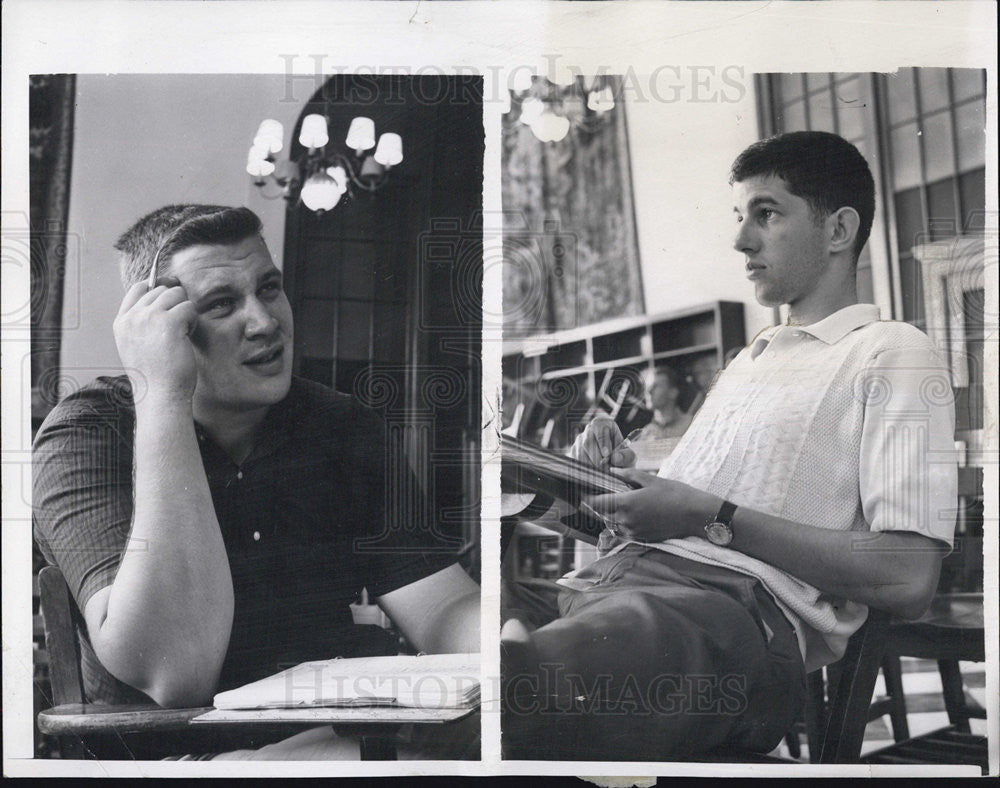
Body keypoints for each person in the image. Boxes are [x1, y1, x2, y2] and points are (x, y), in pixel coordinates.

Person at [501, 131, 957, 761]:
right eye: (740, 217)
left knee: (517, 692)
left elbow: (908, 578)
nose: (741, 240)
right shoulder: (749, 361)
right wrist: (600, 486)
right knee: (493, 656)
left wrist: (711, 516)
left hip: (728, 623)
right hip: (616, 591)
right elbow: (682, 508)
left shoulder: (891, 351)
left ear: (838, 230)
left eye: (766, 214)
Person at [33, 205, 480, 759]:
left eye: (269, 289)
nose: (266, 322)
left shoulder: (340, 425)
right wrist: (161, 393)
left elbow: (439, 607)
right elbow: (177, 674)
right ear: (159, 321)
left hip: (337, 743)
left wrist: (504, 649)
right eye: (222, 304)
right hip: (164, 761)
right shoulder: (84, 434)